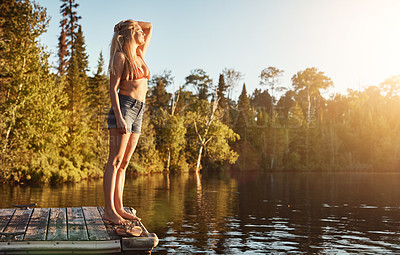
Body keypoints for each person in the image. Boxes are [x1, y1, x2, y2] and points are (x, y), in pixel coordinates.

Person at [103, 19, 152, 225]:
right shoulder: (120, 56)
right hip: (123, 108)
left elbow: (150, 25)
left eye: (140, 31)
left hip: (139, 111)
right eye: (137, 31)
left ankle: (119, 208)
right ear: (130, 34)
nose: (142, 33)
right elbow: (113, 89)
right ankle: (109, 210)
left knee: (124, 164)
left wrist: (127, 23)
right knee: (114, 161)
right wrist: (120, 116)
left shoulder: (139, 54)